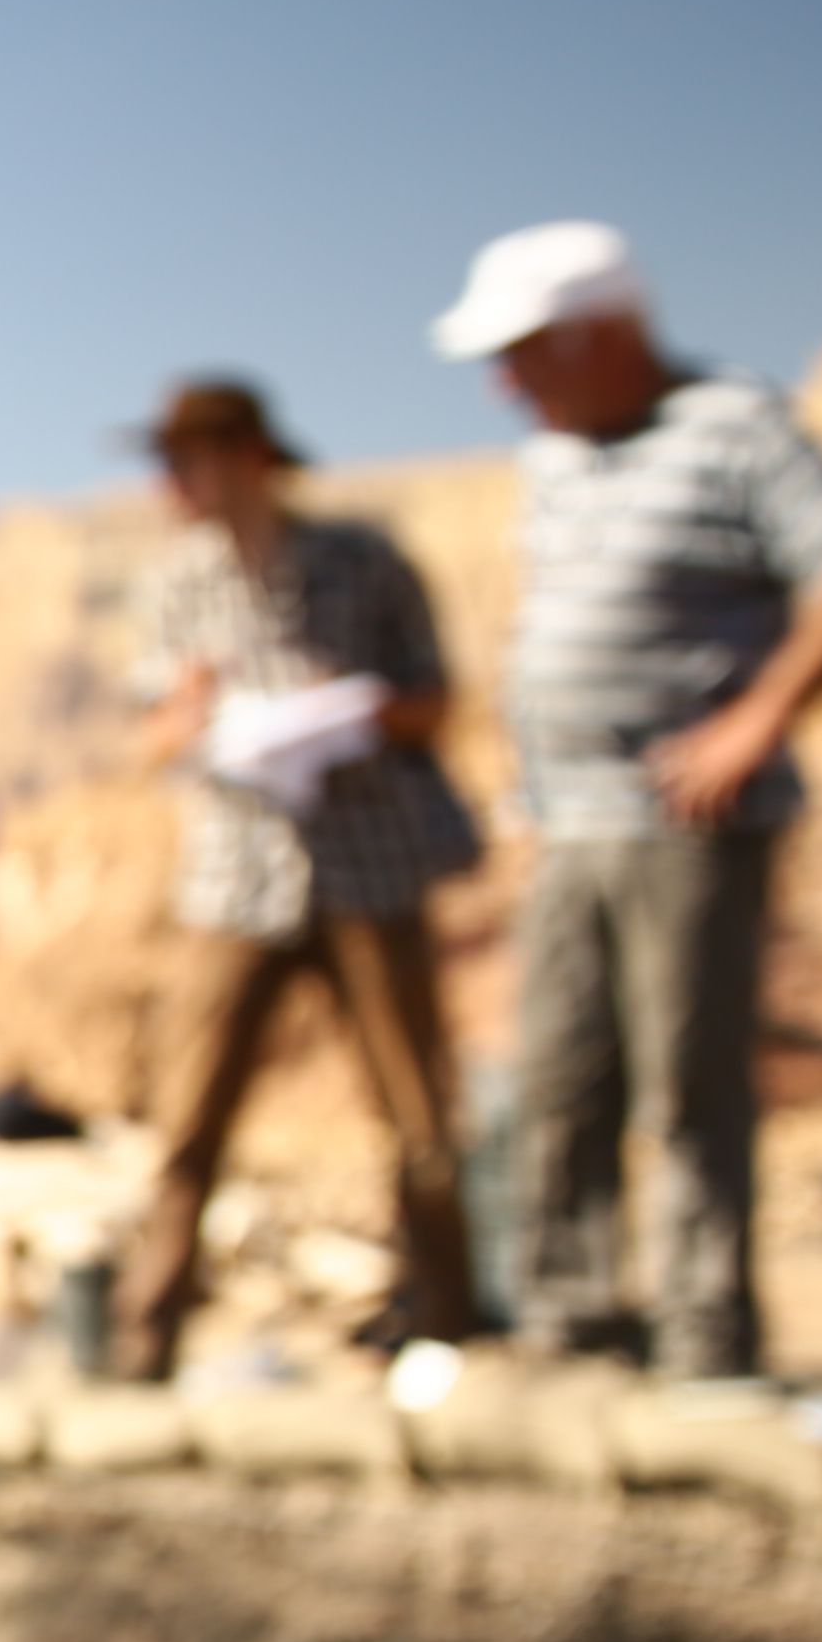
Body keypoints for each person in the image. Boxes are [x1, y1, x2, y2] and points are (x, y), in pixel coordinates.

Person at [436, 221, 822, 1381]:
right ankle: (572, 1320)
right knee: (559, 1075)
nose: (506, 382)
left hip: (683, 822)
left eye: (529, 351)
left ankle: (705, 1336)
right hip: (571, 821)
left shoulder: (733, 428)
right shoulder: (555, 463)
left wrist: (755, 721)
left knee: (686, 1080)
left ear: (606, 332)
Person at [106, 379, 485, 1379]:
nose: (169, 484)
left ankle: (448, 1320)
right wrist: (197, 719)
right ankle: (145, 1341)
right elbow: (153, 733)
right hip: (236, 878)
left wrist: (344, 709)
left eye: (185, 460)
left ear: (250, 458)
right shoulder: (176, 583)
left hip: (368, 864)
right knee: (188, 1118)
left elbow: (434, 702)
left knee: (415, 1111)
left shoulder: (362, 563)